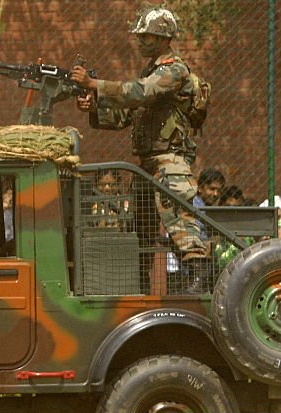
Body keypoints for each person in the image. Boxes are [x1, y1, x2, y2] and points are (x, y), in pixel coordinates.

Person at [70, 7, 210, 262]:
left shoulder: (174, 71)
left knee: (183, 230)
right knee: (140, 232)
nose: (140, 41)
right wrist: (94, 107)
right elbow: (126, 116)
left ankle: (198, 283)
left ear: (163, 37)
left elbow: (139, 93)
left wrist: (94, 85)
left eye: (146, 36)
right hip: (147, 166)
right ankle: (143, 286)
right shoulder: (151, 73)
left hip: (170, 163)